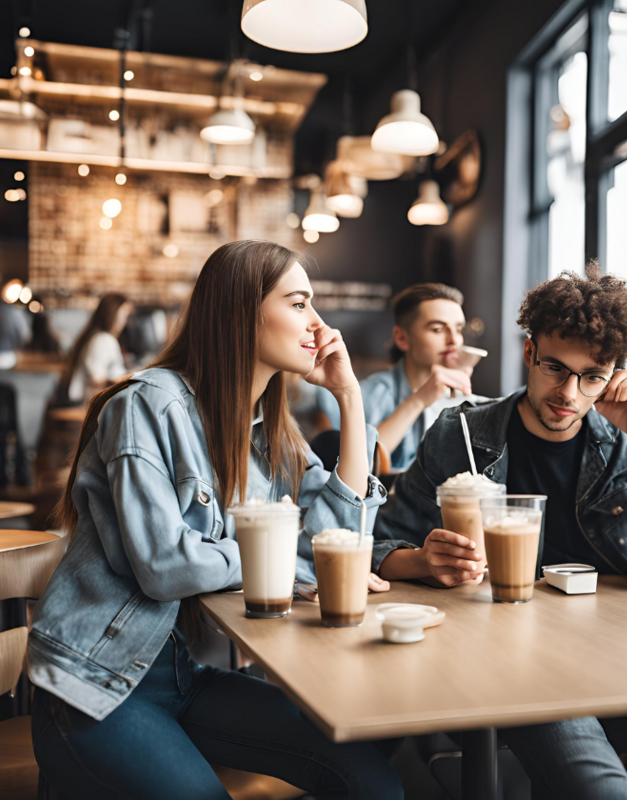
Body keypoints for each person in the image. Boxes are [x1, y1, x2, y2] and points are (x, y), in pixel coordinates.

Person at [372, 262, 627, 799]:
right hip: (518, 666)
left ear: (613, 375)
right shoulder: (463, 432)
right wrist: (423, 561)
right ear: (528, 353)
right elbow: (379, 545)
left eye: (593, 375)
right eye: (555, 368)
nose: (569, 392)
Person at [29, 241, 402, 800]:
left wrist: (350, 397)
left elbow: (337, 540)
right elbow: (165, 566)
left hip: (180, 679)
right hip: (93, 687)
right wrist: (279, 557)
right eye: (299, 304)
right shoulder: (148, 406)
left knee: (372, 777)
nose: (321, 326)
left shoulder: (268, 432)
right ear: (241, 310)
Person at [320, 283, 480, 470]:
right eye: (437, 329)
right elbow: (355, 467)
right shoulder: (369, 394)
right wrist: (418, 401)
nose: (454, 340)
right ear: (402, 338)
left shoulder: (465, 400)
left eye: (459, 329)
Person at [58, 293, 133, 406]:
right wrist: (128, 378)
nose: (126, 322)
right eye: (125, 315)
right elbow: (96, 379)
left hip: (88, 404)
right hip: (89, 407)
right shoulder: (103, 340)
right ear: (113, 314)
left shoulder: (97, 337)